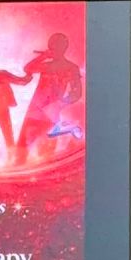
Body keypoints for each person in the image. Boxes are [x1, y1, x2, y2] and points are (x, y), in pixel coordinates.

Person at [14, 33, 82, 164]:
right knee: (22, 152)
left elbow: (77, 92)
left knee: (46, 155)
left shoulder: (70, 68)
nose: (54, 49)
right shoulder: (48, 66)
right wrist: (43, 56)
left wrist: (60, 104)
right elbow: (28, 68)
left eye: (56, 46)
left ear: (63, 48)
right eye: (52, 47)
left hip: (49, 115)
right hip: (35, 112)